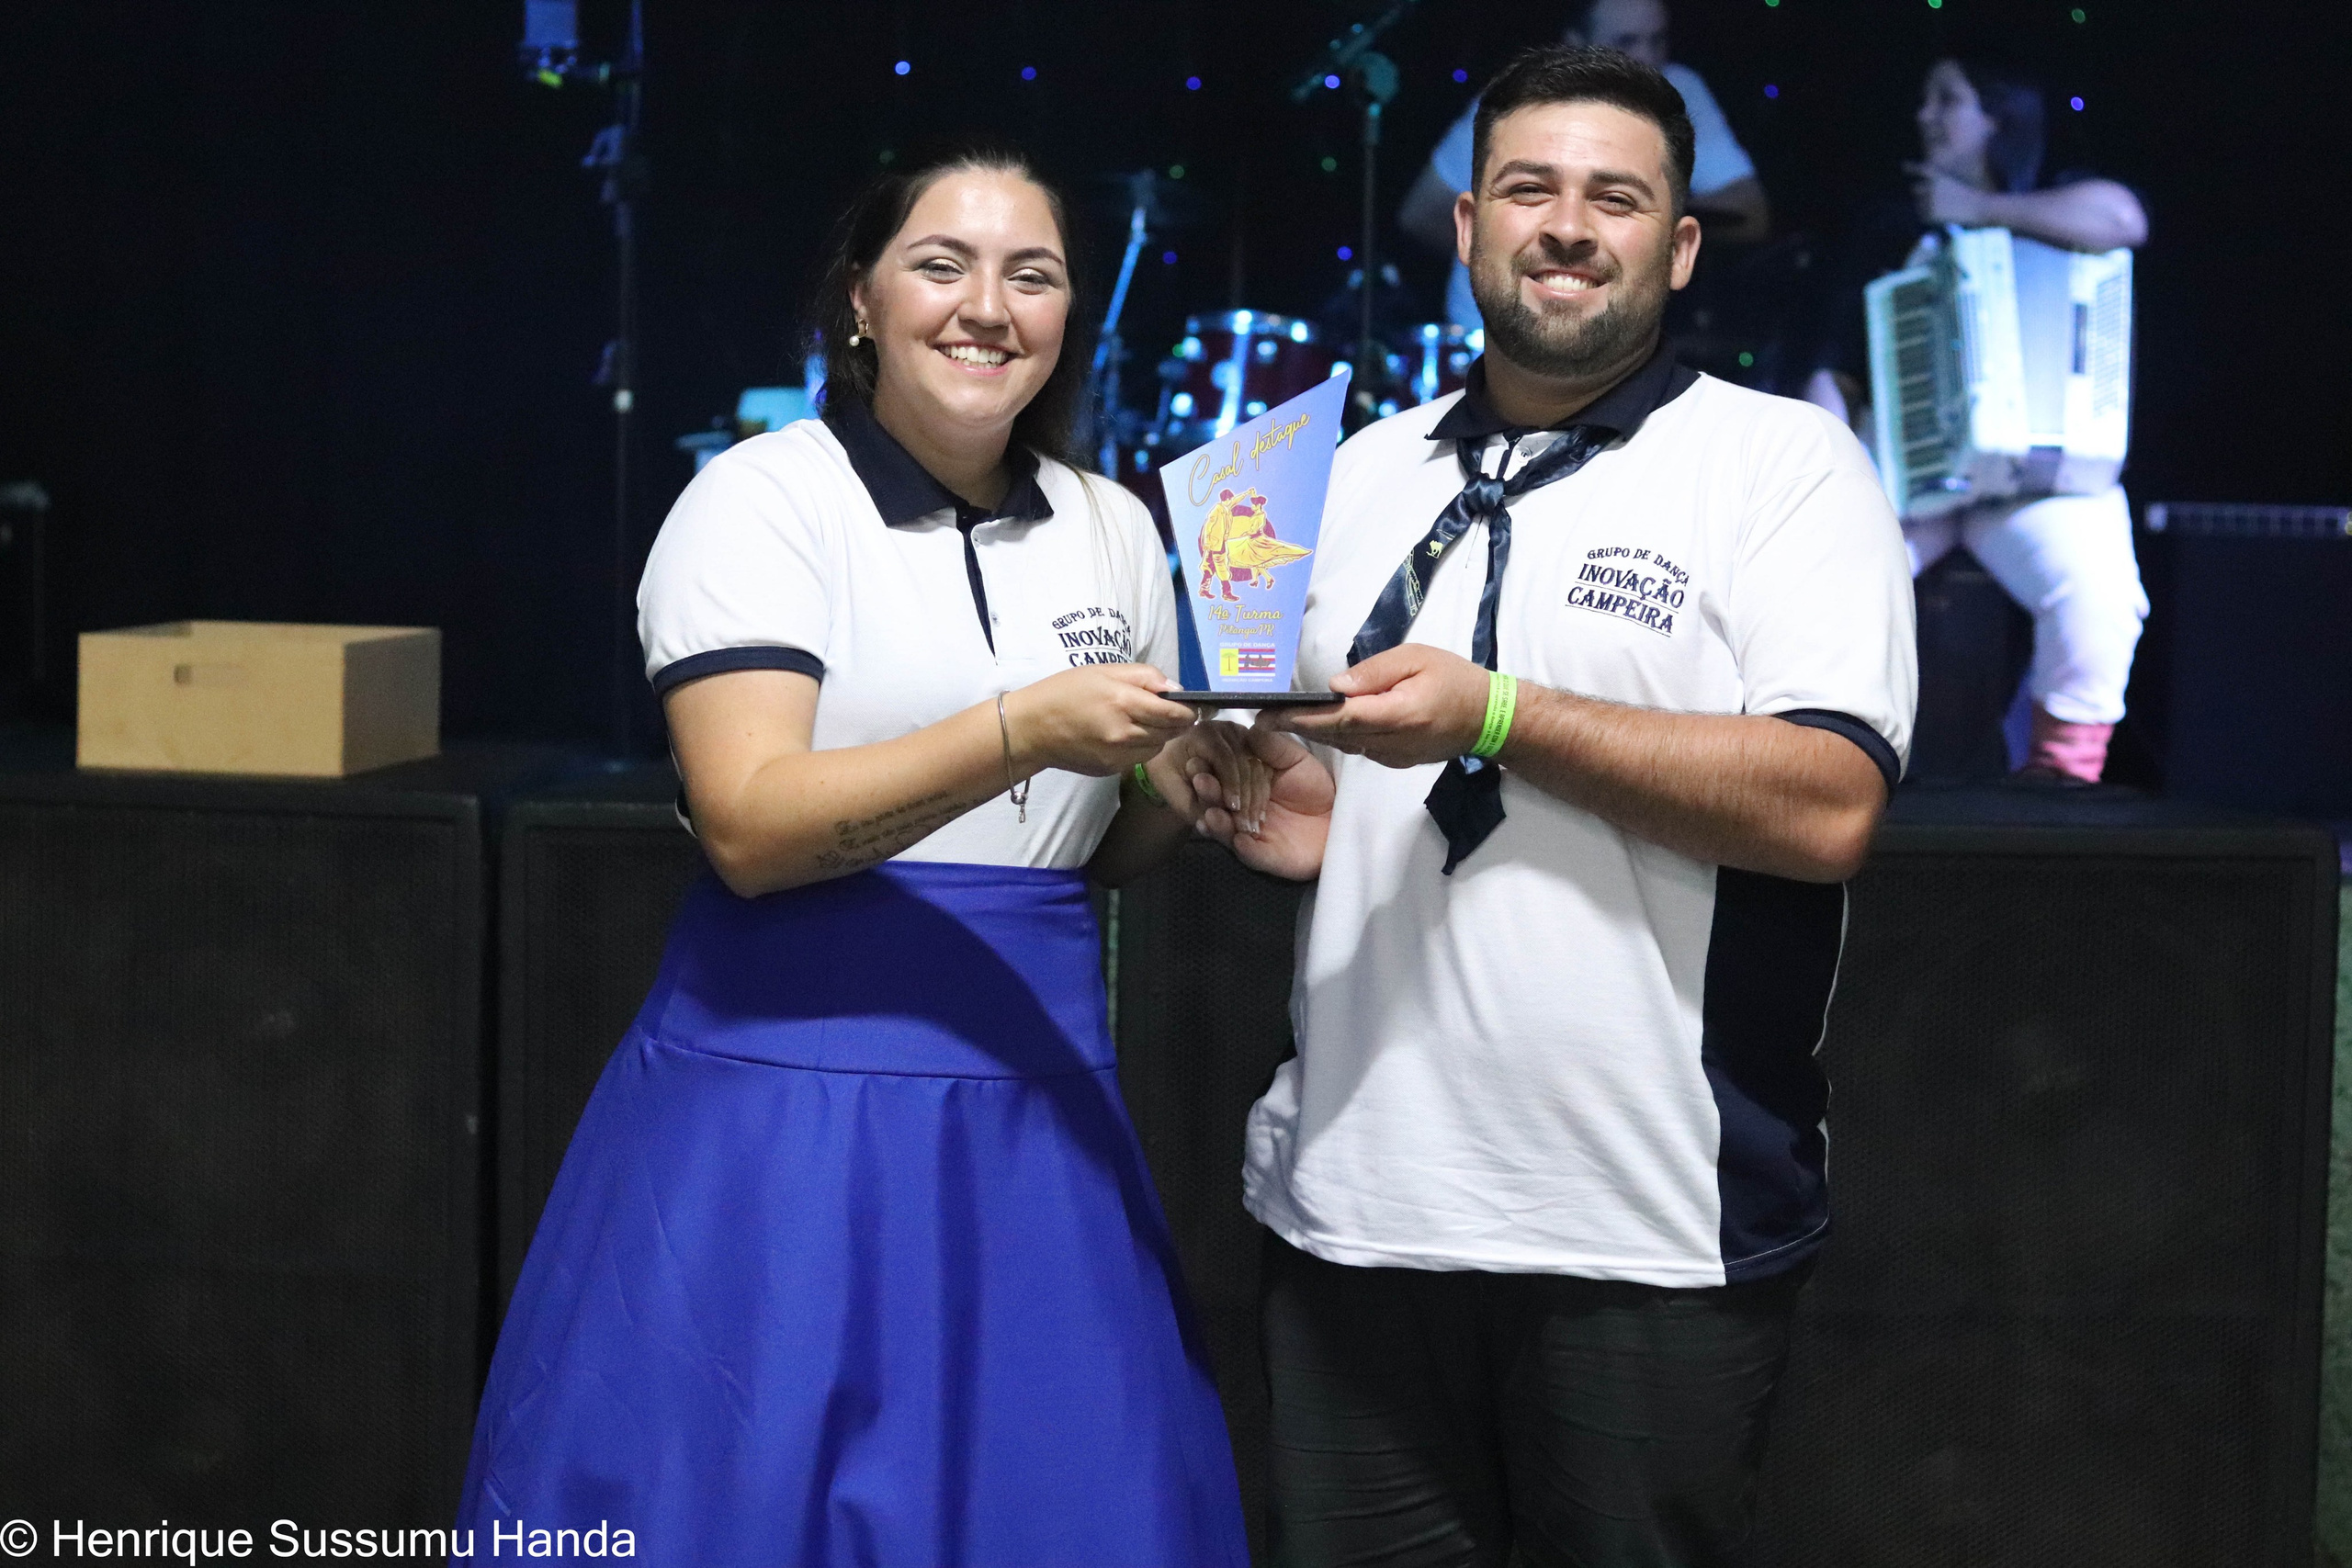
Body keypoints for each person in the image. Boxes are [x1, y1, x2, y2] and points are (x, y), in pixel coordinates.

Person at [453, 146, 1266, 1566]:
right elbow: (752, 827)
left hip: (1034, 1113)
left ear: (1073, 312)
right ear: (861, 302)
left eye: (1034, 273)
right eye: (941, 265)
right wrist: (1020, 727)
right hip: (783, 1120)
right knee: (744, 1506)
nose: (986, 306)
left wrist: (1192, 792)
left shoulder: (1118, 528)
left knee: (1058, 1509)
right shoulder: (763, 499)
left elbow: (1088, 848)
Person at [1204, 45, 1917, 1566]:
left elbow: (1828, 803)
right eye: (1529, 188)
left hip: (1645, 1227)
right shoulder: (1351, 473)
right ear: (1465, 229)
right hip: (1353, 1205)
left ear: (1678, 242)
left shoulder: (1783, 466)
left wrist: (1504, 713)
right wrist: (1301, 814)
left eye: (1617, 196)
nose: (1568, 224)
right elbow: (1368, 812)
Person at [1801, 57, 2149, 783]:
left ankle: (2060, 781)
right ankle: (1821, 767)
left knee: (2101, 594)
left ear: (1999, 114)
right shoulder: (1891, 222)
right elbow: (1833, 367)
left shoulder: (2058, 204)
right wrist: (1834, 481)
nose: (1925, 115)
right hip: (1907, 478)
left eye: (1947, 100)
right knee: (1818, 586)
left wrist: (1985, 213)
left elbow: (2125, 220)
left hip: (2032, 485)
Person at [1399, 0, 1768, 333]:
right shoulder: (1519, 101)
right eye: (1626, 41)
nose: (1647, 58)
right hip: (1485, 337)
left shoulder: (1680, 92)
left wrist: (1643, 224)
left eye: (1657, 40)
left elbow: (1749, 214)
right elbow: (1422, 213)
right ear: (1576, 44)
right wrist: (1520, 262)